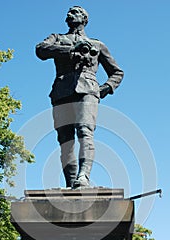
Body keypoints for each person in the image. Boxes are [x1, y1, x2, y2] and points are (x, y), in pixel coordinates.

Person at [36, 6, 124, 188]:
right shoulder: (58, 39)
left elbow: (117, 72)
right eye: (68, 13)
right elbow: (41, 50)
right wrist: (70, 50)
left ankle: (83, 176)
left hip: (88, 91)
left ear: (84, 19)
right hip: (61, 92)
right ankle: (71, 182)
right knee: (65, 140)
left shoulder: (97, 45)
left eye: (75, 12)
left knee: (85, 131)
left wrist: (106, 88)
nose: (69, 15)